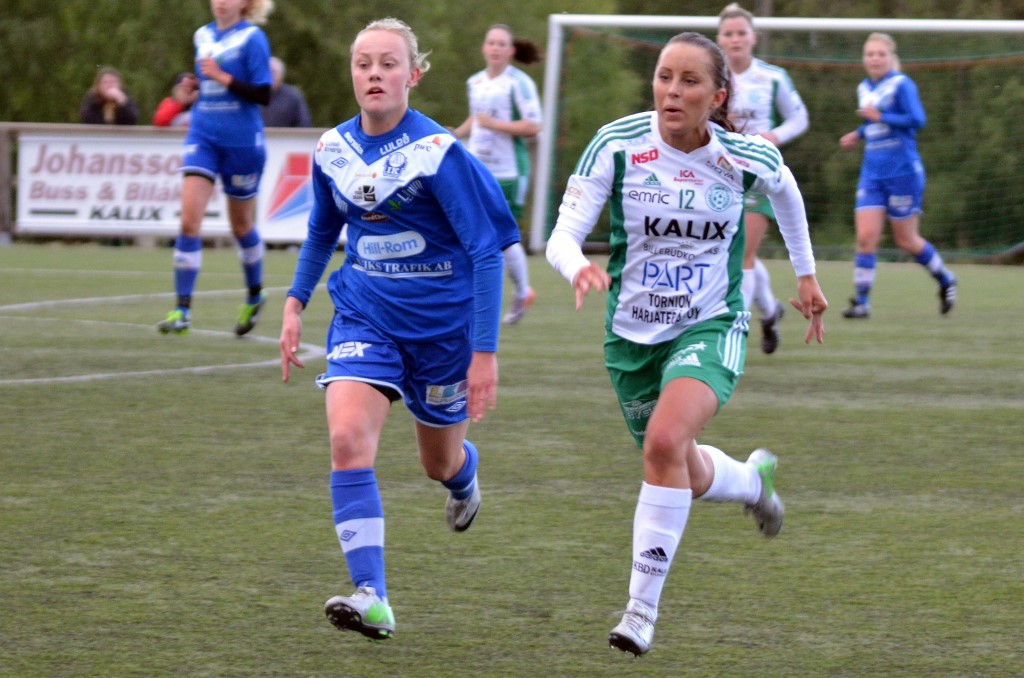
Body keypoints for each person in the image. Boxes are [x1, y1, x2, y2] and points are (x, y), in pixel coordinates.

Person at [546, 32, 827, 656]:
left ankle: (640, 611)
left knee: (664, 442)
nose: (672, 91)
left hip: (710, 323)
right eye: (664, 77)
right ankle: (752, 482)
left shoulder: (742, 156)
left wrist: (805, 275)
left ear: (718, 96)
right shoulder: (617, 144)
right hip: (631, 338)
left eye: (689, 81)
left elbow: (785, 191)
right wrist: (578, 267)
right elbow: (562, 236)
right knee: (680, 466)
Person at [278, 17, 519, 641]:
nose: (374, 74)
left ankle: (463, 477)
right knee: (347, 438)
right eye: (363, 63)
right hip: (365, 315)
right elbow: (322, 230)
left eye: (388, 64)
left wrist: (484, 353)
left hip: (443, 332)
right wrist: (295, 301)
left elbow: (486, 252)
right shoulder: (332, 149)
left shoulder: (438, 152)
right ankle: (372, 596)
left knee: (438, 463)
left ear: (413, 75)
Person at [157, 0, 274, 336]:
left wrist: (222, 76)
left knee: (241, 226)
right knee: (188, 221)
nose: (221, 2)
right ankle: (182, 310)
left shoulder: (252, 38)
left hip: (242, 143)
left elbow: (264, 93)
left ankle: (255, 294)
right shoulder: (202, 35)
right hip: (203, 136)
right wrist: (189, 89)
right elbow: (205, 83)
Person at [838, 32, 957, 318]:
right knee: (866, 237)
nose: (875, 59)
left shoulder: (902, 84)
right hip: (872, 173)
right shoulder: (864, 87)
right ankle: (862, 303)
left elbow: (917, 120)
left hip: (903, 172)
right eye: (870, 54)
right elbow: (873, 124)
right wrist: (859, 133)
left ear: (891, 58)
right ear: (864, 59)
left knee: (906, 241)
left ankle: (946, 279)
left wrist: (880, 117)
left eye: (881, 54)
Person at [717, 3, 809, 354]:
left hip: (757, 175)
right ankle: (770, 312)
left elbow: (799, 118)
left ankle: (733, 333)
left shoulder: (772, 77)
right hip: (718, 173)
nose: (735, 39)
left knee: (742, 253)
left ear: (753, 38)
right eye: (729, 33)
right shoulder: (711, 77)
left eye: (741, 33)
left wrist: (774, 136)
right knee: (733, 252)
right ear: (719, 39)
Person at [451, 24, 542, 325]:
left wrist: (495, 125)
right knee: (466, 231)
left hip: (509, 171)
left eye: (502, 44)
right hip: (477, 167)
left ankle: (522, 292)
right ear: (484, 47)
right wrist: (456, 134)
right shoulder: (474, 82)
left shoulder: (519, 83)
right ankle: (467, 299)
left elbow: (534, 126)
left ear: (511, 51)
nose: (495, 48)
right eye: (491, 42)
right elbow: (476, 118)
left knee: (504, 236)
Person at [260, 56, 313, 127]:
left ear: (281, 75)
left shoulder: (293, 96)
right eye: (267, 72)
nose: (270, 76)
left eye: (273, 72)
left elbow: (304, 124)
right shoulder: (254, 94)